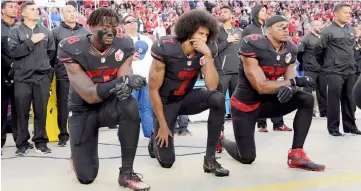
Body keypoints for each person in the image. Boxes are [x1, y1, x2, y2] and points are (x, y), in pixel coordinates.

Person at [56, 8, 150, 190]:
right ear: (91, 27)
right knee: (86, 177)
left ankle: (127, 173)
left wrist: (126, 85)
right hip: (83, 108)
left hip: (109, 104)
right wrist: (122, 81)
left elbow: (125, 74)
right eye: (105, 26)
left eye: (114, 26)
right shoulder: (71, 46)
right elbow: (90, 95)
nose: (110, 31)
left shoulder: (124, 43)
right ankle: (77, 154)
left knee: (130, 104)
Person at [220, 15, 325, 171]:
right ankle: (221, 140)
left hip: (268, 103)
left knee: (306, 99)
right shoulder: (252, 44)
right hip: (246, 106)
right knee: (247, 158)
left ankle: (296, 154)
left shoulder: (290, 48)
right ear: (268, 30)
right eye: (280, 27)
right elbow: (261, 86)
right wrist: (291, 83)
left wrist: (289, 88)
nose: (285, 30)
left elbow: (291, 79)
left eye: (287, 26)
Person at [147, 9, 229, 177]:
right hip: (165, 103)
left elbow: (212, 86)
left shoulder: (206, 51)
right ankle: (155, 136)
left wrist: (208, 56)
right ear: (188, 31)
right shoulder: (167, 47)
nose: (204, 38)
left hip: (185, 98)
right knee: (167, 162)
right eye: (200, 33)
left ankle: (210, 159)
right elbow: (153, 89)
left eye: (207, 34)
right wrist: (162, 125)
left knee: (218, 98)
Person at [8, 1, 55, 156]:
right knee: (21, 113)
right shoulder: (15, 31)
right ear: (23, 13)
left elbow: (51, 53)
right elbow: (13, 52)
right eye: (32, 9)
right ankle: (22, 144)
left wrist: (48, 74)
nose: (36, 11)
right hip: (22, 78)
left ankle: (41, 142)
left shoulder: (46, 31)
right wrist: (31, 41)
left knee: (41, 112)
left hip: (41, 77)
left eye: (37, 9)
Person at [314, 3, 361, 136]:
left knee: (349, 99)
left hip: (350, 69)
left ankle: (350, 126)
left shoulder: (351, 29)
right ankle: (333, 128)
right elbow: (318, 50)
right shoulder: (328, 31)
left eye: (350, 13)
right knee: (333, 100)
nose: (348, 15)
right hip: (334, 70)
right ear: (336, 14)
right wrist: (327, 64)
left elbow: (351, 49)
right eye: (345, 12)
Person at [242, 4, 290, 132]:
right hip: (257, 66)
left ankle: (278, 123)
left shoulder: (272, 27)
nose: (265, 13)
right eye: (262, 11)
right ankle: (261, 124)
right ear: (255, 13)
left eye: (265, 10)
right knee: (260, 92)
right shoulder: (249, 29)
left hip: (274, 65)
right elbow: (243, 50)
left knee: (277, 91)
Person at [52, 5, 90, 147]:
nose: (72, 14)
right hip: (63, 74)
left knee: (83, 104)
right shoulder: (56, 32)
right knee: (63, 105)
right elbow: (52, 54)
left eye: (74, 11)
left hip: (82, 75)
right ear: (62, 14)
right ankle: (63, 135)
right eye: (68, 11)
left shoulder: (85, 31)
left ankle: (83, 133)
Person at [123, 14, 154, 138]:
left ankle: (149, 135)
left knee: (146, 108)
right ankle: (129, 135)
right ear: (124, 25)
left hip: (145, 78)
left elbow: (154, 58)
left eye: (134, 21)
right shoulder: (120, 41)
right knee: (129, 109)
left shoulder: (146, 40)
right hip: (129, 80)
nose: (132, 23)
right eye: (129, 21)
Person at [214, 5, 242, 120]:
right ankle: (219, 132)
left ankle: (240, 132)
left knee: (237, 104)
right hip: (222, 72)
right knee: (219, 102)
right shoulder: (216, 32)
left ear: (232, 16)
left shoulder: (239, 32)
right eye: (221, 12)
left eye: (225, 11)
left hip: (237, 71)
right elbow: (213, 50)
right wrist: (227, 41)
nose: (222, 13)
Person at [297, 20, 327, 117]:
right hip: (310, 69)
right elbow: (299, 53)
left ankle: (324, 112)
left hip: (322, 69)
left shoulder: (322, 38)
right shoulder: (306, 39)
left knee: (322, 91)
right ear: (312, 26)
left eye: (321, 24)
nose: (320, 26)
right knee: (307, 91)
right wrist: (306, 63)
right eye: (317, 25)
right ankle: (307, 112)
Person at [1, 0, 18, 149]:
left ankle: (20, 139)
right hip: (3, 73)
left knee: (18, 107)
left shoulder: (19, 28)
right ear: (2, 10)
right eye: (11, 7)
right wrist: (9, 64)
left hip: (18, 73)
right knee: (2, 107)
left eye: (15, 7)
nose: (14, 9)